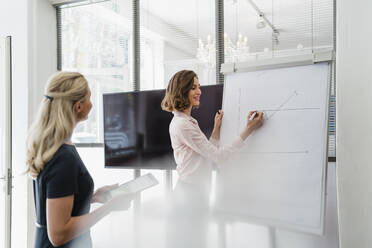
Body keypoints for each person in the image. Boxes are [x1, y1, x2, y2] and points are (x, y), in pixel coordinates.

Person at [26, 71, 133, 248]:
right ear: (78, 107)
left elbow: (57, 201)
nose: (92, 104)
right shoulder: (63, 157)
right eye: (89, 98)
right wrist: (109, 207)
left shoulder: (52, 146)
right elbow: (58, 234)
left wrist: (92, 197)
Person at [161, 70, 264, 248]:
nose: (199, 91)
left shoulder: (186, 121)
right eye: (193, 87)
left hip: (194, 192)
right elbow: (218, 157)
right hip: (190, 195)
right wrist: (249, 129)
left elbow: (207, 154)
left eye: (199, 86)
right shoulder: (183, 125)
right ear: (181, 90)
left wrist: (216, 128)